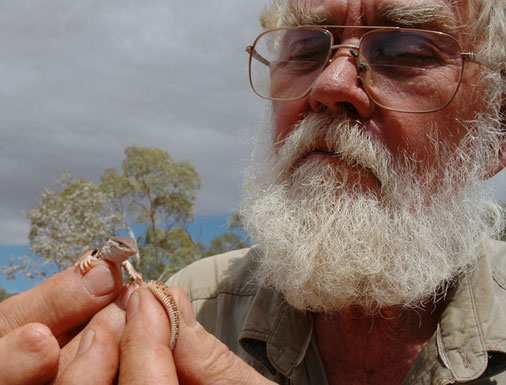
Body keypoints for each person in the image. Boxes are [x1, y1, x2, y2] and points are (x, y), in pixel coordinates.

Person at [0, 0, 504, 384]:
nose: (330, 84)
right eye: (306, 49)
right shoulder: (190, 305)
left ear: (496, 135)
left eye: (405, 51)